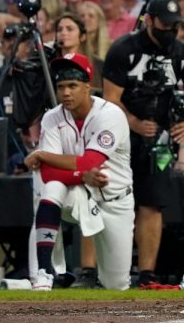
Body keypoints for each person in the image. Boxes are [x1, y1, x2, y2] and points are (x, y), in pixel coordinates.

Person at [103, 0, 184, 287]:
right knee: (113, 202)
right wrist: (134, 123)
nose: (171, 31)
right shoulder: (123, 49)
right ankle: (107, 272)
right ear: (149, 21)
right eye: (165, 25)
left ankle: (147, 274)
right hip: (120, 139)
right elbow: (109, 100)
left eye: (175, 25)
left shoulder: (182, 54)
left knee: (152, 205)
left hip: (160, 142)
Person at [25, 53, 135, 291]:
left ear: (88, 86)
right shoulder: (52, 117)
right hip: (79, 195)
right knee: (49, 188)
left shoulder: (111, 115)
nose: (65, 93)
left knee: (115, 284)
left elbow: (90, 162)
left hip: (115, 201)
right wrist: (79, 176)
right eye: (61, 86)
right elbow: (48, 173)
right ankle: (43, 272)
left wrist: (43, 154)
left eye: (73, 86)